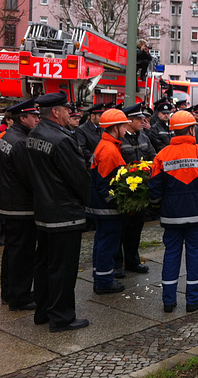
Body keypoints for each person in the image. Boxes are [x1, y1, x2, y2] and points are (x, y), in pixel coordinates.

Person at [23, 91, 90, 332]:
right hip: (64, 213)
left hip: (43, 211)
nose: (68, 114)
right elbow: (79, 178)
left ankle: (43, 312)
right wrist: (87, 201)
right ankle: (62, 317)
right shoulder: (62, 140)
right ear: (55, 112)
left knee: (44, 265)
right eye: (65, 110)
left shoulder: (34, 135)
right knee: (63, 268)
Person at [149, 111, 198, 313]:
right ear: (192, 128)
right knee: (195, 256)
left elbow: (154, 188)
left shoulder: (162, 155)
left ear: (173, 131)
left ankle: (168, 300)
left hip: (172, 215)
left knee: (171, 255)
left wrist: (157, 205)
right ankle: (193, 299)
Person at [0, 98, 40, 311]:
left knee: (12, 251)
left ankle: (8, 292)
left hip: (9, 202)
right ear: (22, 118)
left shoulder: (8, 136)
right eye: (33, 116)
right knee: (22, 253)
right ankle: (20, 296)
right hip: (22, 206)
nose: (37, 119)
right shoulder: (22, 142)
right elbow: (29, 176)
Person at [88, 109, 131, 295]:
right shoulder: (109, 149)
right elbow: (105, 184)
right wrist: (119, 204)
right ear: (115, 127)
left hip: (100, 207)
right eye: (123, 125)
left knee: (101, 241)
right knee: (107, 244)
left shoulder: (107, 145)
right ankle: (104, 282)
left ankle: (101, 275)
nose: (126, 128)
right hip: (106, 209)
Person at [115, 103, 156, 278]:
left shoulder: (144, 137)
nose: (143, 121)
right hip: (124, 191)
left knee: (136, 229)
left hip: (140, 190)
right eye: (139, 119)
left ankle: (132, 261)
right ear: (129, 121)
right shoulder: (121, 138)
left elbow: (153, 155)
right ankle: (117, 265)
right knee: (120, 230)